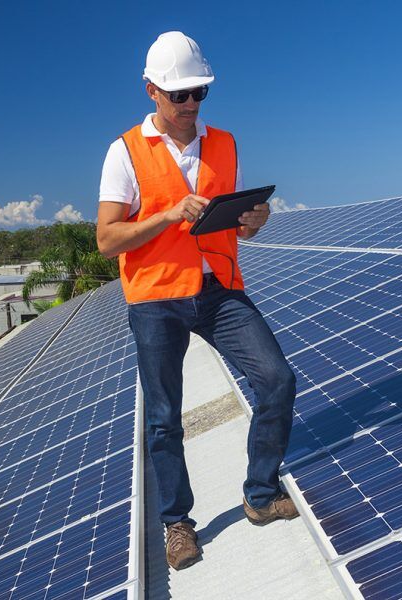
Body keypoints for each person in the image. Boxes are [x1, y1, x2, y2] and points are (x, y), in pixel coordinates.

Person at [96, 31, 298, 571]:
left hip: (219, 289)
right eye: (178, 94)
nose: (190, 105)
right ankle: (177, 524)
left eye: (199, 93)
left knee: (276, 379)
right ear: (151, 91)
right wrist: (165, 214)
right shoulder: (125, 152)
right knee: (164, 418)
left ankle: (259, 494)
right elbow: (107, 239)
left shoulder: (225, 143)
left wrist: (254, 222)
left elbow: (233, 227)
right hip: (157, 297)